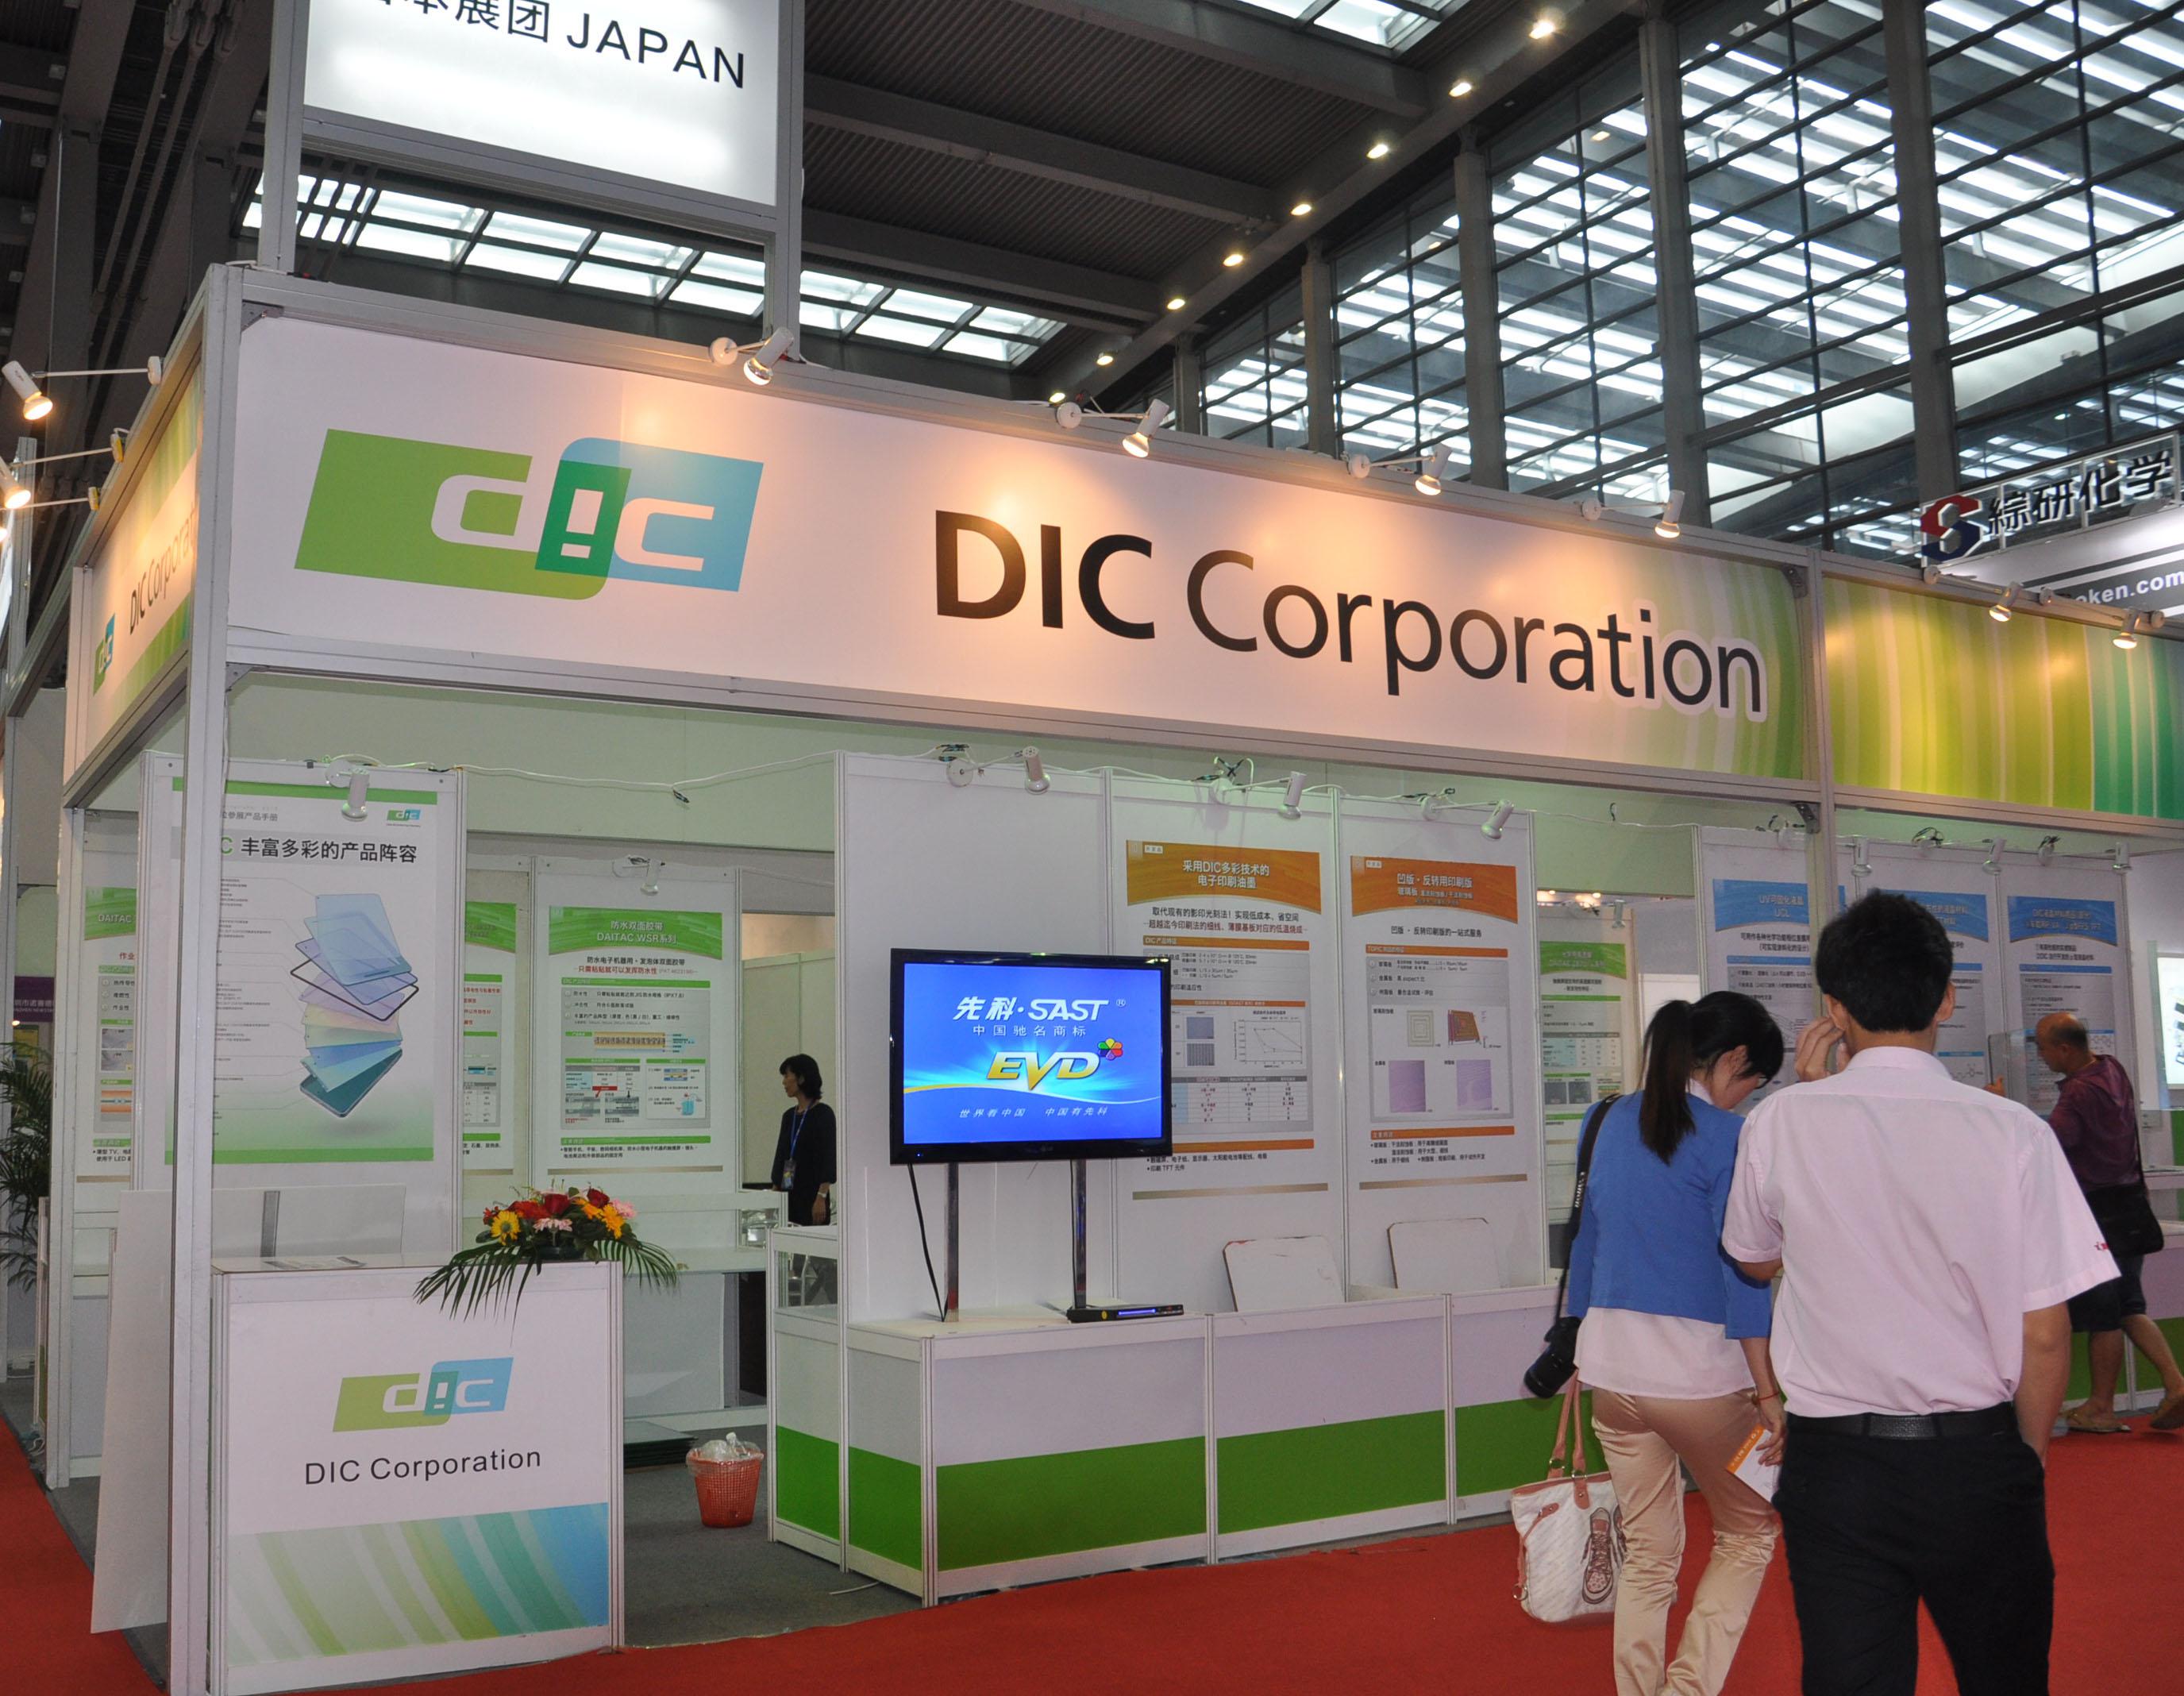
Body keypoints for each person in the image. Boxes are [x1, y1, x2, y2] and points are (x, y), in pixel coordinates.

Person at [1722, 893, 2117, 1696]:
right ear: (1946, 998)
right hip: (1975, 1455)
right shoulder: (2014, 1132)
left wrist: (1814, 1114)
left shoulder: (1778, 1122)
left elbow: (1753, 1262)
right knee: (2005, 1677)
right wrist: (2024, 1458)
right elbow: (2045, 1332)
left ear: (1834, 1007)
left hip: (1835, 1464)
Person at [1565, 991, 1786, 1696]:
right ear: (1733, 1059)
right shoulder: (1729, 1137)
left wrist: (1575, 1349)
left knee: (1649, 1551)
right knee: (1748, 1533)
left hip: (1609, 1370)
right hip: (1700, 1377)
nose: (1748, 1097)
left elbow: (1584, 1244)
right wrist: (1768, 1391)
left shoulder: (1604, 1120)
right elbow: (1743, 1274)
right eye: (1753, 1081)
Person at [2032, 1012, 2184, 1433]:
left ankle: (2101, 1407)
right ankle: (2175, 1382)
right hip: (2131, 1205)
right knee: (2130, 1305)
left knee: (2105, 1314)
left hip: (2097, 1213)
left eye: (2043, 1048)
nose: (2041, 1057)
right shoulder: (2113, 1070)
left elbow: (2048, 1142)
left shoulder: (2078, 1093)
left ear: (2065, 1049)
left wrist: (2003, 1109)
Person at [768, 1054, 837, 1227]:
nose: (784, 1082)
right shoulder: (788, 1116)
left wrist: (821, 1196)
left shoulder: (824, 1114)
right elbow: (781, 1155)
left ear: (801, 1078)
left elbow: (828, 1158)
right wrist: (774, 1195)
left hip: (813, 1196)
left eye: (787, 1076)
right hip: (789, 1195)